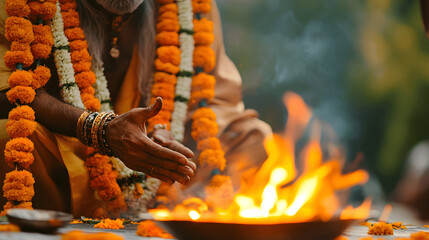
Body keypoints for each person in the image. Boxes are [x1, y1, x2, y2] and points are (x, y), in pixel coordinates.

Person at [0, 0, 271, 217]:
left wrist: (165, 130)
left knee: (252, 138)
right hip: (69, 158)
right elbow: (7, 89)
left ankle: (189, 215)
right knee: (10, 137)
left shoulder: (191, 7)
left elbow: (215, 99)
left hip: (157, 179)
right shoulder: (21, 5)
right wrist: (99, 130)